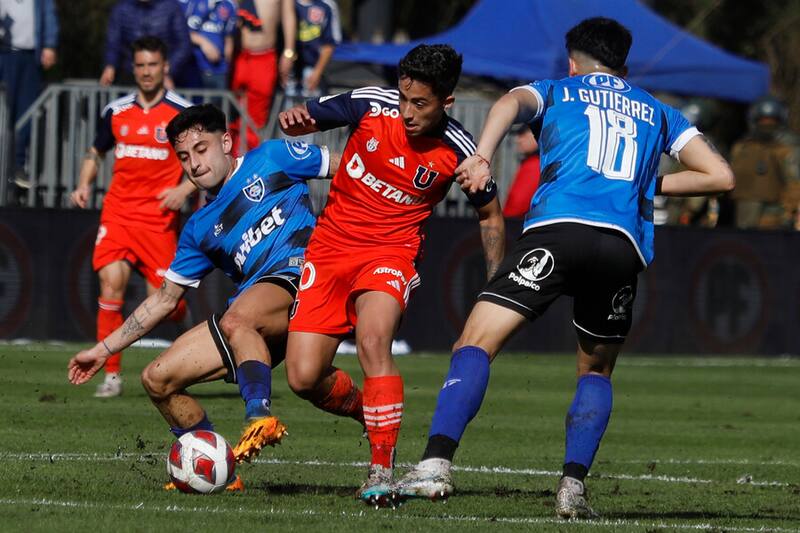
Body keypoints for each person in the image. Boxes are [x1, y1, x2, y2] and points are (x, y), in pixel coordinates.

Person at [392, 18, 734, 519]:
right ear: (625, 65)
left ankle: (435, 465)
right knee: (594, 369)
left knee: (475, 342)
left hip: (560, 229)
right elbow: (720, 176)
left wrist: (483, 155)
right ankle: (572, 491)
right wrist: (644, 187)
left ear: (574, 62)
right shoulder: (661, 112)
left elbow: (510, 101)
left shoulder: (558, 88)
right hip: (621, 246)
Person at [68, 104, 353, 489]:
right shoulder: (199, 227)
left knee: (238, 318)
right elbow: (164, 300)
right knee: (157, 379)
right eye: (184, 156)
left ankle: (259, 418)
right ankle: (219, 470)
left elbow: (352, 169)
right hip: (257, 319)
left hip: (303, 280)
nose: (194, 164)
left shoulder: (271, 156)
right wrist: (103, 350)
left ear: (226, 142)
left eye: (201, 149)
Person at [278, 43, 506, 506]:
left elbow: (492, 217)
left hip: (391, 252)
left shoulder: (460, 150)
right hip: (329, 248)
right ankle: (374, 411)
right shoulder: (369, 103)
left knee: (373, 341)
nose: (405, 112)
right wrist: (298, 117)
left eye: (419, 104)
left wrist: (495, 287)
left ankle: (380, 469)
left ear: (447, 102)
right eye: (402, 98)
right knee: (302, 377)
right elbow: (313, 113)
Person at [71, 36, 196, 398]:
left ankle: (186, 338)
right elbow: (95, 151)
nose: (145, 72)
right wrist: (82, 184)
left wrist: (184, 191)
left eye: (152, 65)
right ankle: (111, 374)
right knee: (111, 286)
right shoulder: (117, 111)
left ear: (165, 67)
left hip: (158, 222)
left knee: (169, 303)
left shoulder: (181, 113)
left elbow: (205, 162)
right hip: (119, 214)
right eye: (140, 65)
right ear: (133, 68)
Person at [0, 0, 59, 193]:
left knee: (26, 114)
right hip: (4, 55)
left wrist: (50, 45)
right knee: (3, 113)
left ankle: (17, 167)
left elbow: (49, 15)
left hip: (29, 57)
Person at [230, 0, 296, 152]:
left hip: (263, 57)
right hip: (236, 56)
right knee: (229, 113)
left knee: (256, 118)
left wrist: (288, 52)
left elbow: (288, 15)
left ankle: (247, 164)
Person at [729, 96, 800, 229]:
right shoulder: (742, 147)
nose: (767, 124)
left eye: (771, 121)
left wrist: (789, 211)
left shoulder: (785, 148)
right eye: (763, 120)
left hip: (772, 212)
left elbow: (794, 183)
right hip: (743, 209)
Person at [100, 0, 193, 89]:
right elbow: (113, 42)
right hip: (128, 76)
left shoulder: (172, 7)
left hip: (167, 78)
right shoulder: (121, 8)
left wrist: (166, 71)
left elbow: (183, 44)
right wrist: (110, 66)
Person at [285, 0, 341, 99]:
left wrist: (317, 72)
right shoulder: (287, 3)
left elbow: (329, 44)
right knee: (284, 107)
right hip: (288, 68)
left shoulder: (327, 5)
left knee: (310, 107)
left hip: (313, 68)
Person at [177, 0, 237, 89]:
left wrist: (226, 65)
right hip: (194, 69)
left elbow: (229, 38)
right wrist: (203, 43)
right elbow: (180, 31)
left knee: (217, 101)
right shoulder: (190, 3)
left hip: (218, 71)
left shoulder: (229, 5)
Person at [502, 125, 540, 218]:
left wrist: (504, 222)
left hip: (518, 225)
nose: (518, 140)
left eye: (523, 134)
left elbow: (518, 203)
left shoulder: (534, 165)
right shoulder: (539, 162)